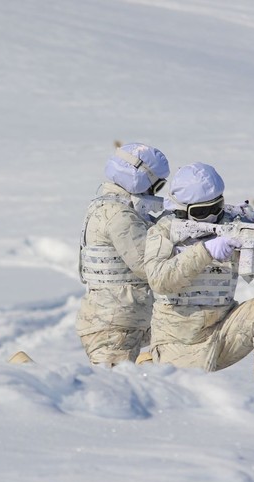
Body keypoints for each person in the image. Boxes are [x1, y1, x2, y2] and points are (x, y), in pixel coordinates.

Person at [142, 162, 254, 382]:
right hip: (181, 340)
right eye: (202, 211)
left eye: (217, 207)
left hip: (225, 330)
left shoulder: (231, 224)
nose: (213, 216)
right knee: (193, 399)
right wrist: (205, 251)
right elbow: (160, 280)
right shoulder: (163, 231)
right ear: (182, 209)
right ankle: (150, 366)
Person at [75, 143, 170, 366]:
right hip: (115, 325)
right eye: (158, 185)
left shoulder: (107, 206)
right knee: (111, 391)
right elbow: (148, 267)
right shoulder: (121, 215)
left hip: (117, 319)